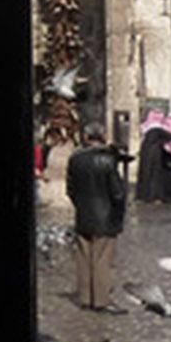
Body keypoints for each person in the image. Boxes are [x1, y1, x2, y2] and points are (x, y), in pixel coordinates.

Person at [64, 125, 127, 311]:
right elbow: (117, 193)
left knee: (84, 258)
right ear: (103, 136)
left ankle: (85, 297)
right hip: (106, 216)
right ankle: (101, 300)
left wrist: (80, 205)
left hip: (84, 214)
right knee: (102, 259)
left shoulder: (75, 159)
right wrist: (118, 214)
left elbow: (70, 189)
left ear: (86, 136)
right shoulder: (108, 160)